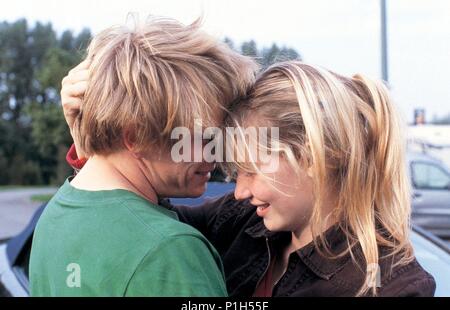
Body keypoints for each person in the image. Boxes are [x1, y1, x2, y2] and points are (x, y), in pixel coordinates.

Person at [62, 58, 435, 296]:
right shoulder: (243, 221)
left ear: (316, 157)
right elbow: (142, 217)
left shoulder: (395, 286)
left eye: (251, 170)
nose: (239, 191)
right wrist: (95, 140)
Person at [29, 17, 257, 296]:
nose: (216, 153)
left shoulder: (56, 214)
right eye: (204, 137)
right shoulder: (167, 250)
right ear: (135, 137)